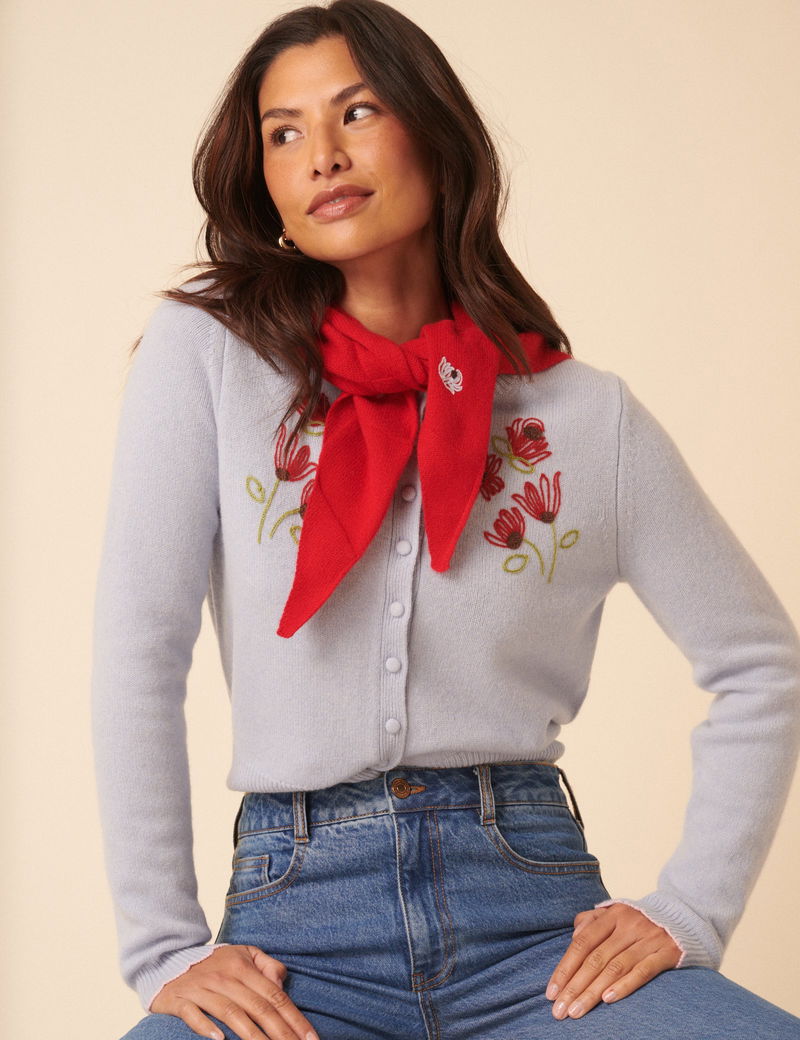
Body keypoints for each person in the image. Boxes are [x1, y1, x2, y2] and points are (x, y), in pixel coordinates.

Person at [91, 2, 800, 1038]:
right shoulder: (208, 358)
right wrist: (164, 945)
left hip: (534, 934)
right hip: (294, 950)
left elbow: (760, 662)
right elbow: (139, 650)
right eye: (283, 133)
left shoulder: (581, 414)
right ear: (266, 183)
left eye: (357, 112)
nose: (322, 155)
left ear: (433, 130)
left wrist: (689, 906)